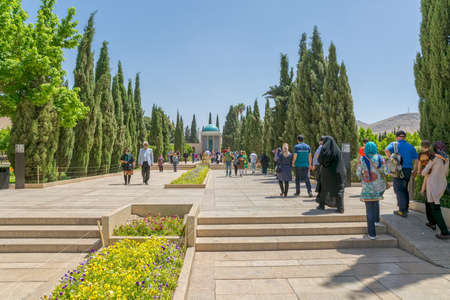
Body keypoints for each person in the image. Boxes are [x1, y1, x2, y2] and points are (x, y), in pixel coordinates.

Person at [356, 142, 388, 240]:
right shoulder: (380, 158)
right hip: (378, 187)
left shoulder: (362, 159)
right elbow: (386, 171)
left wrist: (363, 176)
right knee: (376, 201)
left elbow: (357, 173)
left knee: (369, 210)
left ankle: (372, 234)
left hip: (367, 188)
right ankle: (376, 220)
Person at [385, 130, 418, 217]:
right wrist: (415, 170)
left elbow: (386, 150)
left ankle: (402, 211)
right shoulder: (410, 146)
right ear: (405, 137)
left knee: (399, 190)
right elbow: (416, 159)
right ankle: (406, 209)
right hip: (408, 170)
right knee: (404, 189)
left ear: (397, 137)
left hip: (398, 170)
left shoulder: (394, 144)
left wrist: (391, 161)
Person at [422, 141, 449, 240]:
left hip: (433, 185)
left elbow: (424, 172)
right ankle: (435, 225)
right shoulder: (447, 159)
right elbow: (446, 174)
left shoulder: (434, 158)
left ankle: (445, 231)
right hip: (442, 184)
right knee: (435, 206)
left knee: (435, 208)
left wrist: (427, 170)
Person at [317, 136, 346, 213]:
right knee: (339, 190)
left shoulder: (324, 150)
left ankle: (321, 205)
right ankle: (340, 208)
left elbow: (320, 160)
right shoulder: (337, 150)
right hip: (338, 174)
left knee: (324, 189)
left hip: (327, 174)